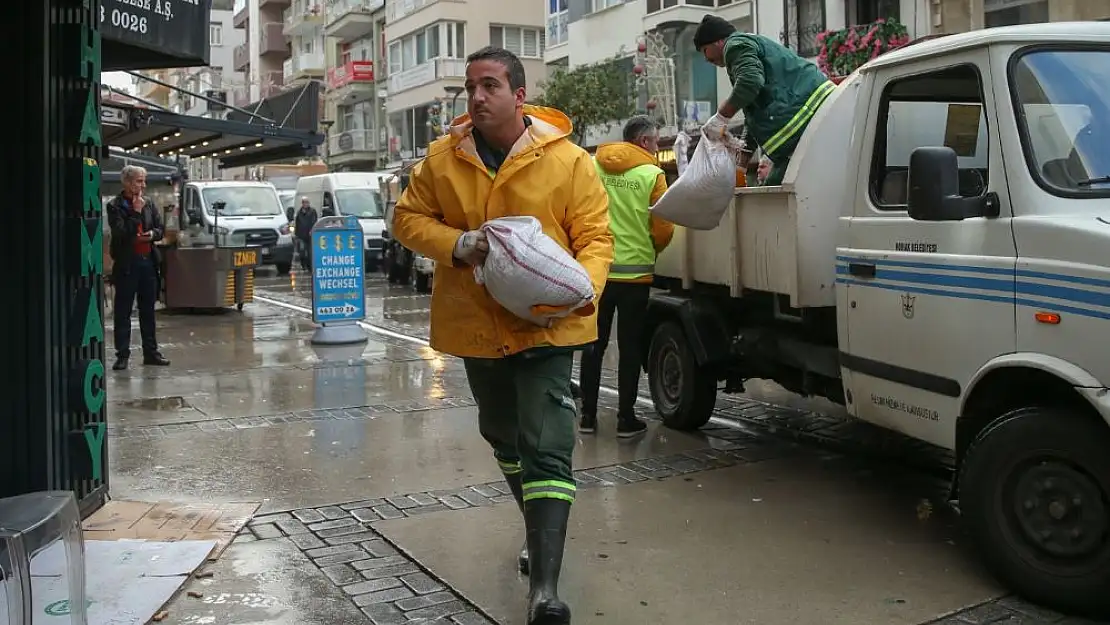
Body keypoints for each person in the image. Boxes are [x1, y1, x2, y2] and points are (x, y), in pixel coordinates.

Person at [391, 46, 612, 625]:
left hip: (549, 324)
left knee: (547, 442)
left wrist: (583, 286)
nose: (477, 97)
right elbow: (407, 219)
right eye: (470, 87)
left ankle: (545, 589)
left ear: (519, 95)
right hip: (476, 325)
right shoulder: (442, 161)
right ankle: (534, 531)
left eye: (489, 85)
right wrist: (457, 245)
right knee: (504, 436)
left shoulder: (568, 162)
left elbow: (595, 235)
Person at [579, 115, 674, 438]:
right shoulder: (652, 174)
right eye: (656, 141)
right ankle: (625, 418)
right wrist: (652, 248)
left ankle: (588, 417)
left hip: (598, 272)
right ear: (644, 142)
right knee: (630, 348)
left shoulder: (593, 166)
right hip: (635, 279)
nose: (658, 146)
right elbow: (662, 227)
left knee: (593, 344)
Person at [695, 15, 836, 186]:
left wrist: (721, 117)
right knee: (775, 188)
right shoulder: (747, 46)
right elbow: (753, 116)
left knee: (776, 192)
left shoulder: (734, 46)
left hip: (804, 117)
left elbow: (750, 82)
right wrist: (741, 165)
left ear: (717, 41)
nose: (706, 59)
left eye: (704, 50)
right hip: (813, 112)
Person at [107, 165, 170, 370]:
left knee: (148, 312)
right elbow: (121, 232)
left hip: (148, 263)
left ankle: (151, 353)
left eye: (144, 181)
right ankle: (122, 355)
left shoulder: (149, 204)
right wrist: (135, 212)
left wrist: (151, 235)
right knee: (123, 312)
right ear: (126, 182)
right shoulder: (115, 206)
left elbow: (160, 229)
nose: (142, 185)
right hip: (127, 263)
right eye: (138, 181)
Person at [294, 197, 317, 270]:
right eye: (304, 202)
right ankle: (303, 265)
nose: (305, 204)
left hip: (310, 235)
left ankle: (310, 267)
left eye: (307, 202)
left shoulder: (312, 211)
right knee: (302, 252)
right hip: (301, 235)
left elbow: (314, 222)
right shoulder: (299, 212)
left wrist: (312, 230)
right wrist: (296, 234)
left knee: (310, 252)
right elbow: (297, 223)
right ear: (302, 203)